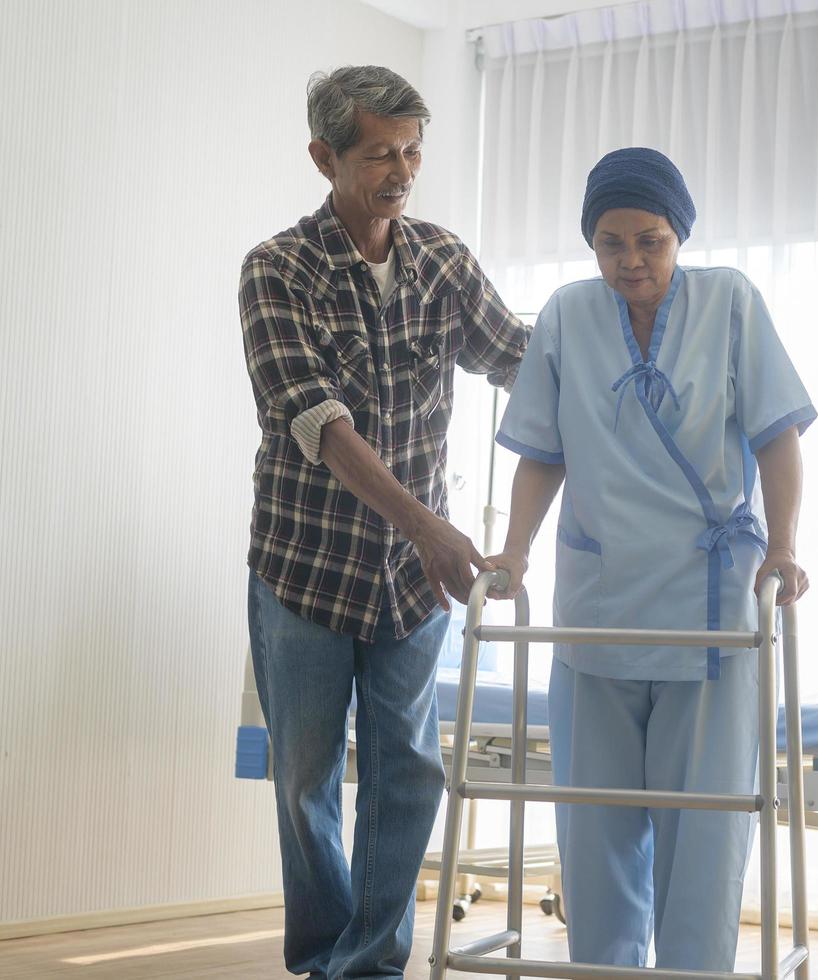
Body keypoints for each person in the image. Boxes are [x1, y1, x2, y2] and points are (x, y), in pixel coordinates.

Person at [486, 147, 815, 972]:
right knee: (592, 826)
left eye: (651, 241)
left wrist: (782, 547)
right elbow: (542, 452)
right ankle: (604, 967)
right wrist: (514, 554)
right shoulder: (566, 315)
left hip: (705, 609)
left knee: (701, 827)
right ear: (589, 244)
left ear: (681, 236)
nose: (631, 261)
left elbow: (777, 436)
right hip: (597, 602)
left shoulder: (730, 302)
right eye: (610, 243)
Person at [238, 65, 527, 980]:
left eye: (411, 151)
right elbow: (318, 425)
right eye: (377, 155)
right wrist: (433, 531)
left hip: (409, 584)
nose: (400, 171)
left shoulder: (442, 259)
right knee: (305, 780)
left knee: (407, 772)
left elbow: (519, 359)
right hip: (305, 568)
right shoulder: (275, 270)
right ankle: (325, 955)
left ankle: (365, 966)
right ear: (325, 157)